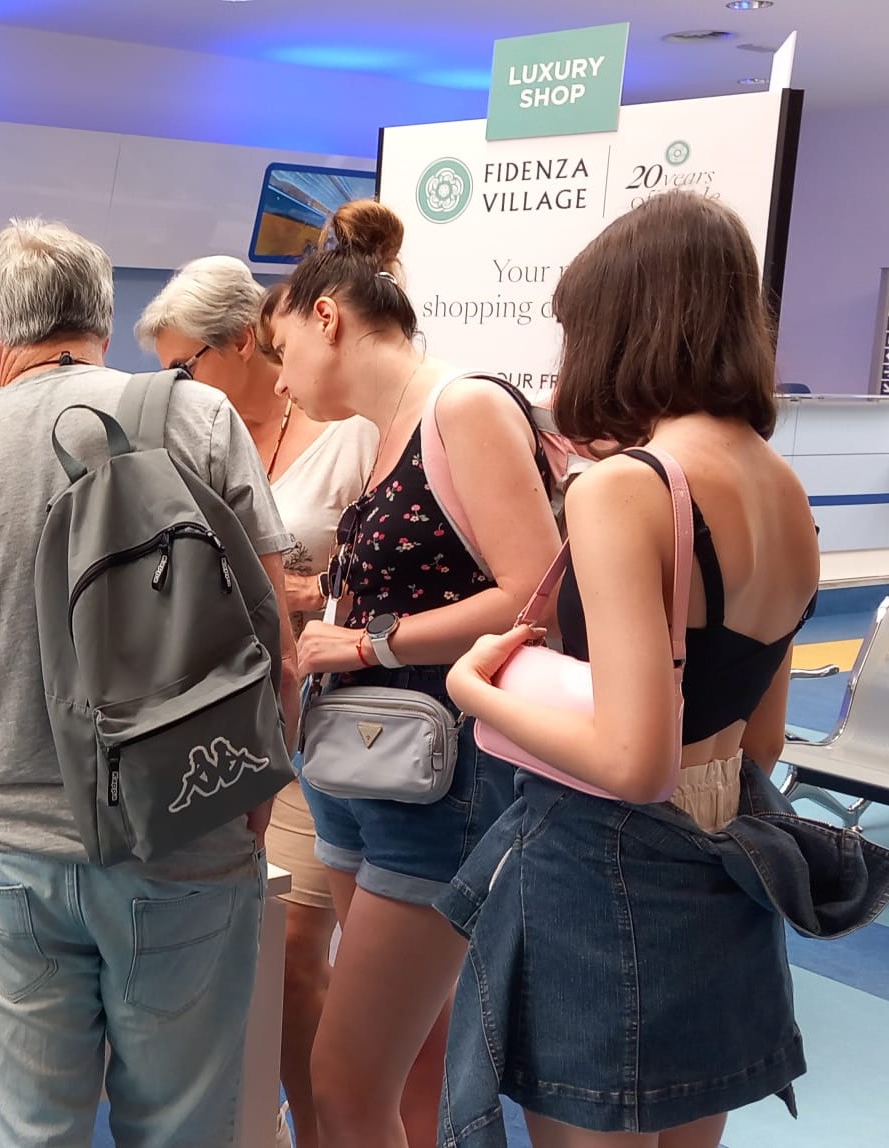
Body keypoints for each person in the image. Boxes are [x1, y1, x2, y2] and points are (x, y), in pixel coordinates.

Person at [438, 193, 888, 1148]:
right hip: (729, 853)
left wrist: (476, 690)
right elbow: (762, 737)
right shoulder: (782, 486)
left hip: (606, 864)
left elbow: (635, 760)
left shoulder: (629, 488)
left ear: (623, 324)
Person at [0, 218, 301, 1147]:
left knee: (35, 1133)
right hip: (187, 832)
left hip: (10, 864)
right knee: (182, 1128)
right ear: (103, 323)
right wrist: (248, 807)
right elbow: (282, 647)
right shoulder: (201, 418)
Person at [264, 199, 562, 1148]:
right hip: (366, 768)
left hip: (439, 778)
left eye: (281, 353)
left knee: (344, 1082)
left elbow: (532, 596)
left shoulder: (462, 406)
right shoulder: (386, 431)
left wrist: (366, 643)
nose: (281, 384)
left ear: (326, 318)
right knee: (403, 1058)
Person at [136, 255, 376, 1148]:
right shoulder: (196, 436)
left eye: (183, 365)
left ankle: (323, 1130)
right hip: (226, 727)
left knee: (305, 962)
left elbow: (390, 582)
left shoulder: (345, 432)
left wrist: (309, 601)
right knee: (257, 955)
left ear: (244, 340)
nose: (175, 385)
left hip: (325, 725)